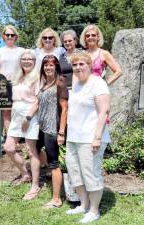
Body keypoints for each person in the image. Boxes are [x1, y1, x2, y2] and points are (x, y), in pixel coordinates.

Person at [65, 52, 110, 223]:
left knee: (90, 174)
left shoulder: (98, 84)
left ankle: (94, 210)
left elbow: (104, 112)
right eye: (75, 65)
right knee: (75, 172)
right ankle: (83, 205)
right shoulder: (76, 84)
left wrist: (97, 137)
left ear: (90, 65)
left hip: (91, 138)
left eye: (81, 64)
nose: (78, 67)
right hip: (74, 137)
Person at [4, 49, 40, 200]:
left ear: (34, 61)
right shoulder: (17, 77)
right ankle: (26, 174)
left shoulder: (37, 77)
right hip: (16, 114)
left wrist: (29, 117)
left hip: (29, 115)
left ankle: (35, 186)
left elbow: (38, 100)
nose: (26, 61)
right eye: (24, 59)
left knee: (31, 152)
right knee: (9, 147)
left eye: (29, 59)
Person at [36, 55, 68, 208]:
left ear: (56, 67)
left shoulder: (59, 82)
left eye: (51, 65)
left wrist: (61, 132)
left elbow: (65, 108)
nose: (48, 68)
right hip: (41, 127)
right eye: (45, 65)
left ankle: (56, 199)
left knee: (54, 163)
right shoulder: (44, 83)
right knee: (35, 151)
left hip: (52, 129)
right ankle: (46, 174)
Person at [0, 25, 24, 134]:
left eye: (12, 35)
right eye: (7, 35)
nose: (10, 37)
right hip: (4, 85)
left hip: (19, 84)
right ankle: (9, 135)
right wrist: (4, 81)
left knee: (18, 110)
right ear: (3, 36)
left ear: (16, 37)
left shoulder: (22, 51)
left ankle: (19, 134)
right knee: (6, 112)